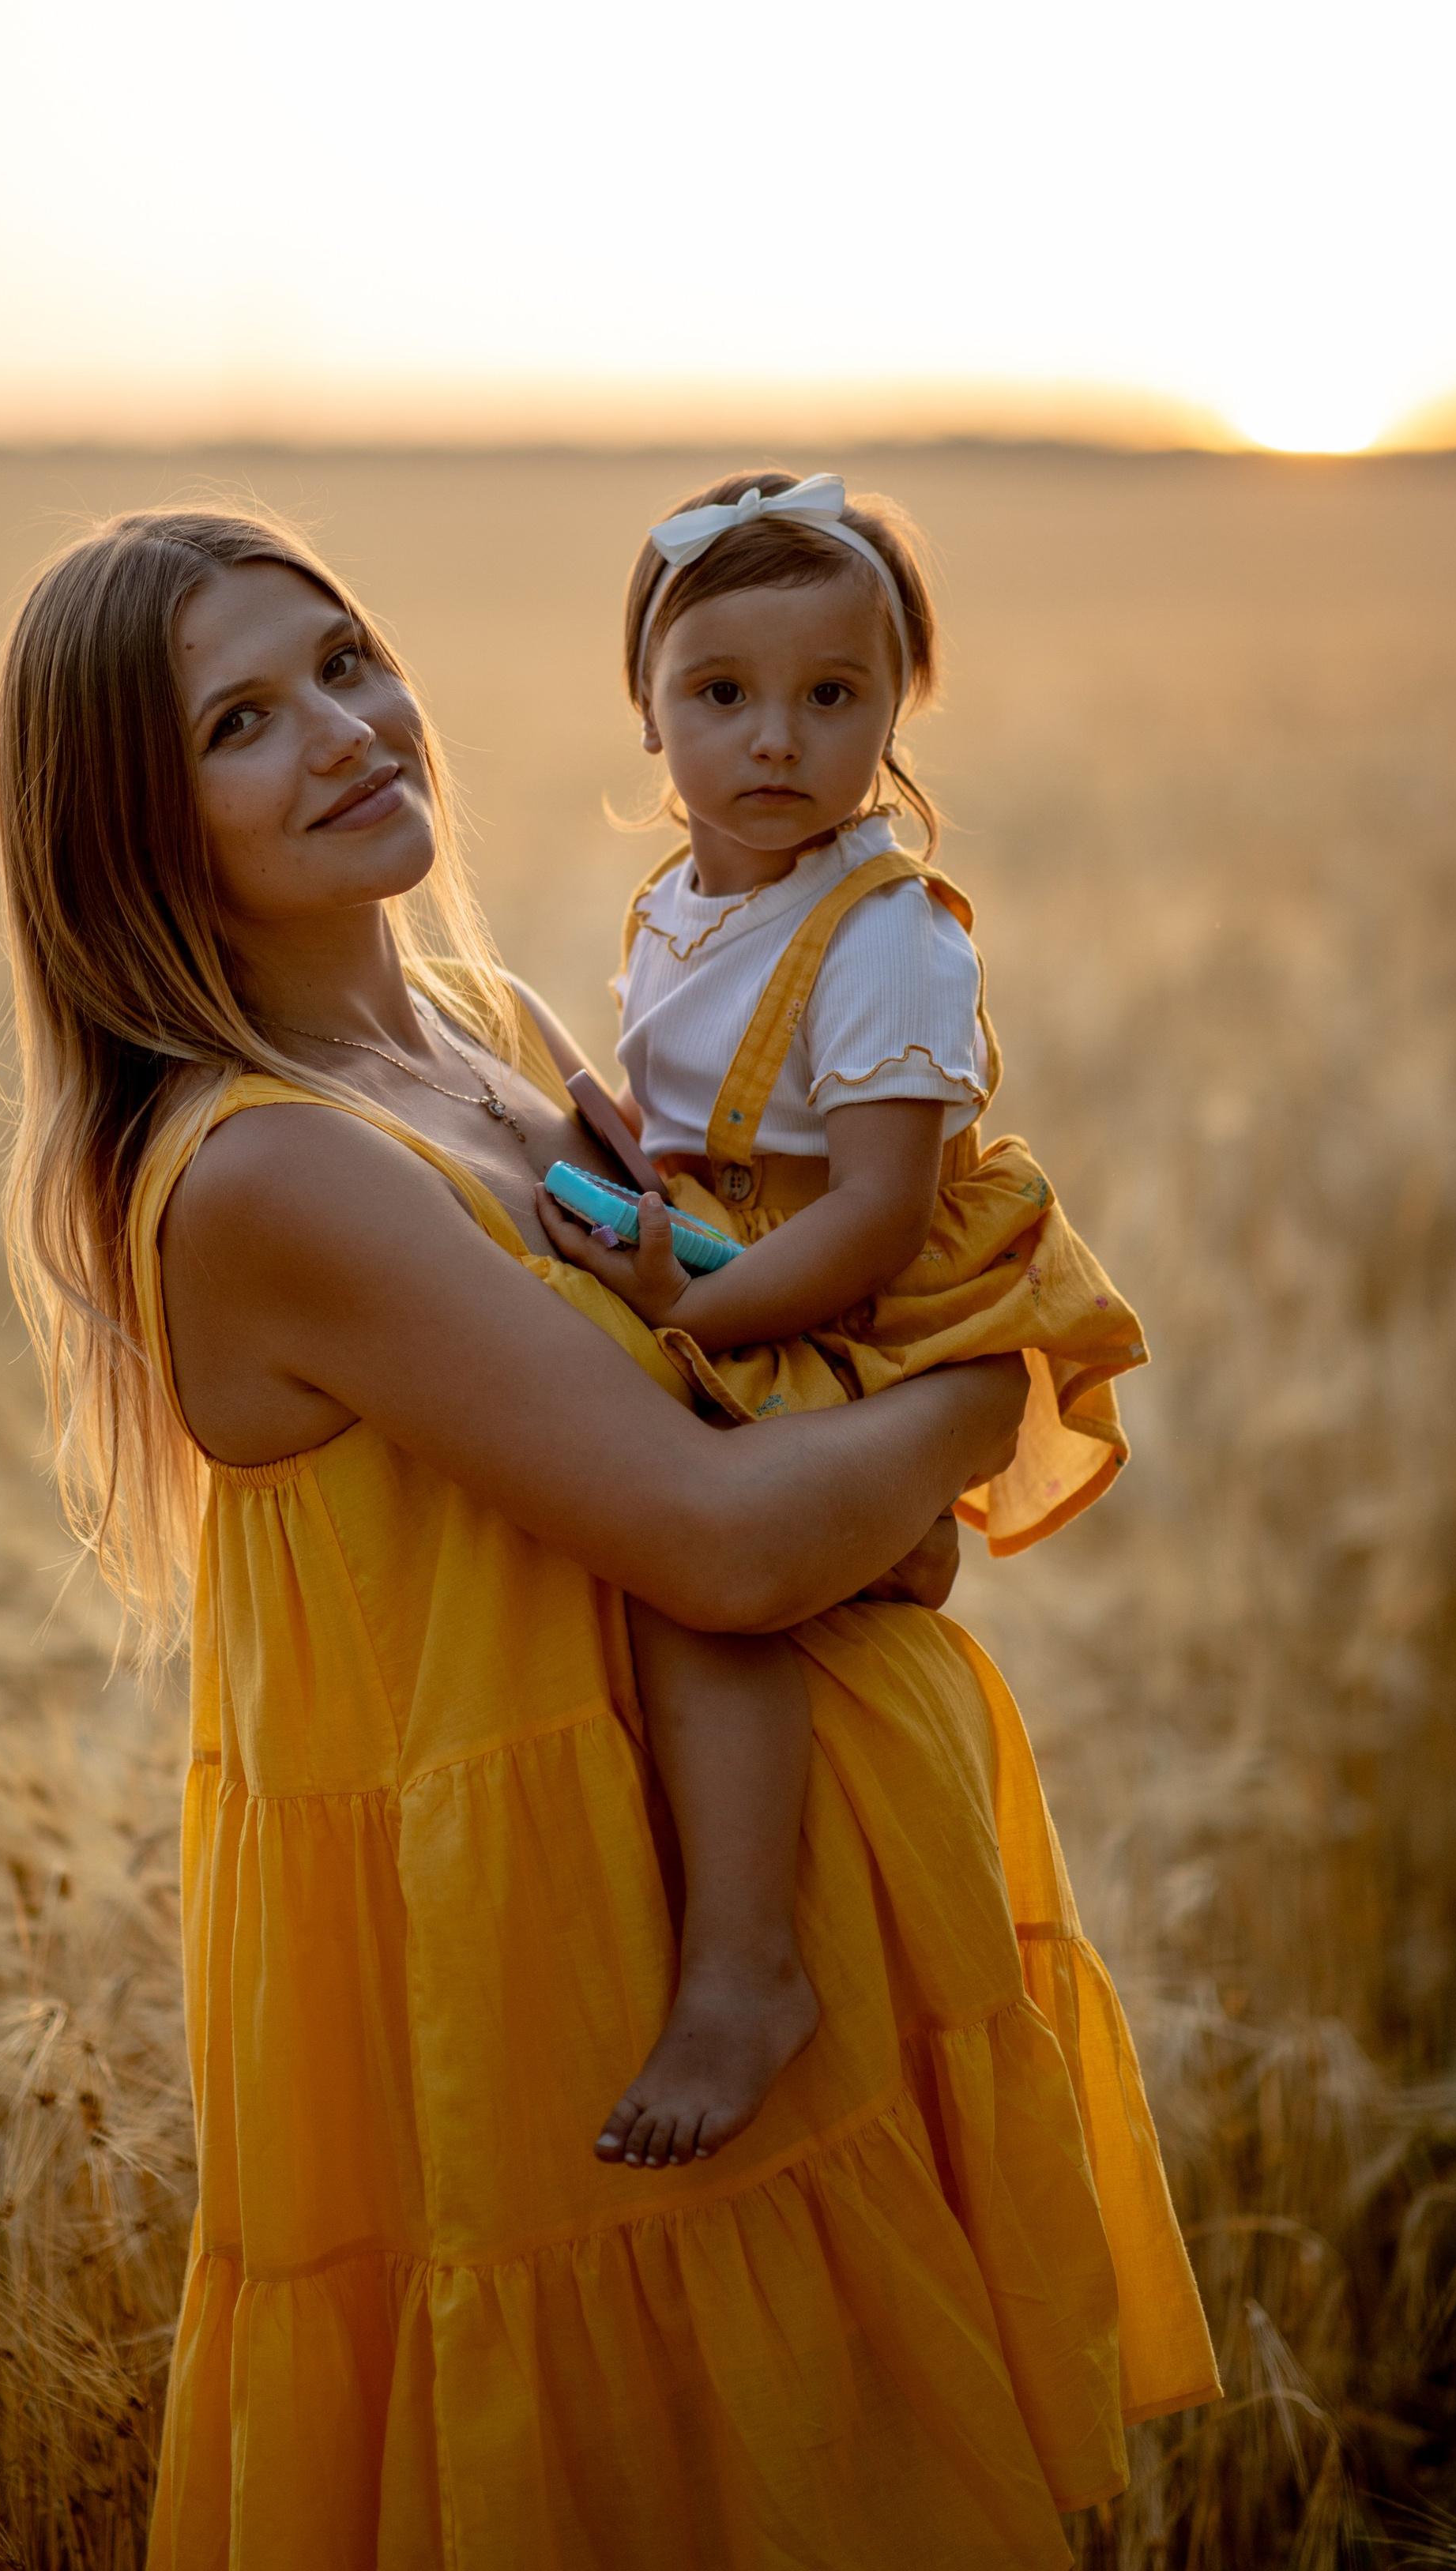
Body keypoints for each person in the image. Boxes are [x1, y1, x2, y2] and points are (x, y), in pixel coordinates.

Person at [0, 502, 1217, 2571]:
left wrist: (869, 1451)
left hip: (725, 1925)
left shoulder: (484, 1032)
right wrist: (988, 1378)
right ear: (133, 826)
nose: (348, 732)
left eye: (346, 661)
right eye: (240, 722)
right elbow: (734, 1542)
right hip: (548, 1982)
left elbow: (741, 1400)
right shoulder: (274, 1168)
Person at [542, 470, 1150, 2174]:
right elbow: (700, 1112)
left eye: (834, 696)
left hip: (857, 1299)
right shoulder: (682, 897)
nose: (774, 739)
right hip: (741, 1252)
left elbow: (879, 1214)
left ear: (895, 713)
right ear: (646, 712)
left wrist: (704, 1306)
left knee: (693, 1563)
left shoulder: (884, 942)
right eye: (717, 693)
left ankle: (745, 1970)